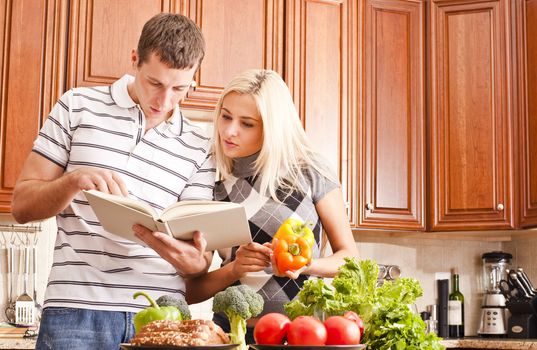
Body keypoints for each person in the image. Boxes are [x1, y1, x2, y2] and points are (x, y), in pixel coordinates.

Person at [11, 13, 215, 349]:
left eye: (180, 88)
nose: (164, 102)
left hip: (162, 318)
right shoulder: (76, 107)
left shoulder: (200, 146)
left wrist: (178, 253)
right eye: (155, 83)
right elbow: (21, 206)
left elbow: (198, 264)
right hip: (75, 309)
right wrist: (74, 180)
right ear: (135, 59)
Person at [138, 68, 359, 343]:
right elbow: (190, 290)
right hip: (233, 336)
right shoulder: (209, 179)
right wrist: (235, 269)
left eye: (247, 123)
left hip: (304, 336)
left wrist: (307, 265)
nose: (230, 131)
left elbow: (350, 258)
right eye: (226, 116)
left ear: (271, 126)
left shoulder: (311, 172)